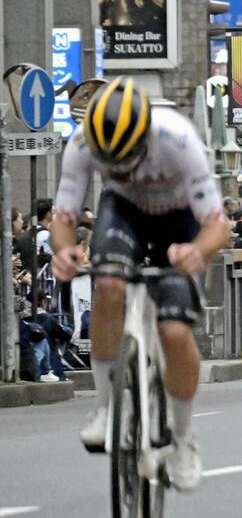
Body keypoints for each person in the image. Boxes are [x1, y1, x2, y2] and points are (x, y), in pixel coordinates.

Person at [51, 76, 228, 491]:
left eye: (127, 159)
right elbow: (64, 217)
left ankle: (183, 440)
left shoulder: (179, 139)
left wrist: (197, 252)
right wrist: (63, 252)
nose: (122, 169)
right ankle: (104, 408)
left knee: (175, 330)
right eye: (111, 163)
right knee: (107, 286)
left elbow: (218, 225)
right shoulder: (81, 144)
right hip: (125, 213)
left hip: (181, 221)